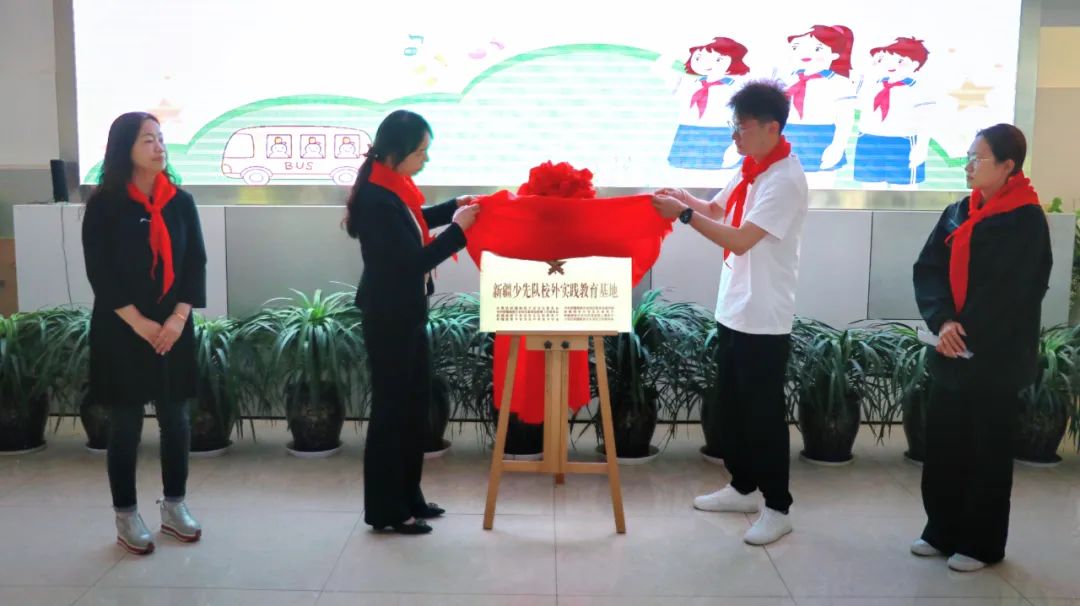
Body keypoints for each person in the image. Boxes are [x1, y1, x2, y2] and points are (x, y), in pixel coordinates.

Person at [652, 80, 808, 546]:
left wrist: (682, 216)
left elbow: (740, 239)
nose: (735, 135)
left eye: (741, 127)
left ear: (771, 127)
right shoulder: (752, 167)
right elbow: (718, 209)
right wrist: (685, 199)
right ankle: (743, 487)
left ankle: (778, 507)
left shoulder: (784, 180)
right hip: (735, 307)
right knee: (733, 406)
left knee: (763, 414)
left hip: (764, 314)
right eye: (733, 126)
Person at [911, 123, 1051, 572]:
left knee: (985, 451)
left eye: (978, 157)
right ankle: (941, 530)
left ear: (1008, 166)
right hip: (950, 349)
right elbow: (928, 269)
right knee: (944, 445)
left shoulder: (1026, 220)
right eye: (968, 156)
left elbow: (1018, 292)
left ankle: (981, 544)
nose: (968, 165)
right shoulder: (958, 211)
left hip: (995, 358)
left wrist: (965, 331)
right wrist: (943, 322)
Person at [344, 109, 479, 535]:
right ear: (397, 152)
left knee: (414, 406)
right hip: (389, 317)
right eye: (421, 152)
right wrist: (459, 232)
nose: (426, 159)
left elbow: (415, 221)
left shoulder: (392, 185)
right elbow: (411, 262)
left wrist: (455, 207)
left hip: (407, 312)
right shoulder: (375, 198)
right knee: (392, 413)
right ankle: (387, 509)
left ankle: (410, 496)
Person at [82, 111, 208, 555]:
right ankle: (126, 514)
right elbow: (101, 272)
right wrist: (140, 323)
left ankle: (174, 506)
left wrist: (176, 320)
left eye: (160, 138)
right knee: (126, 424)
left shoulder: (181, 202)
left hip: (173, 327)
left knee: (176, 419)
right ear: (125, 150)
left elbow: (195, 264)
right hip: (122, 328)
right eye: (147, 140)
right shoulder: (104, 205)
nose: (159, 147)